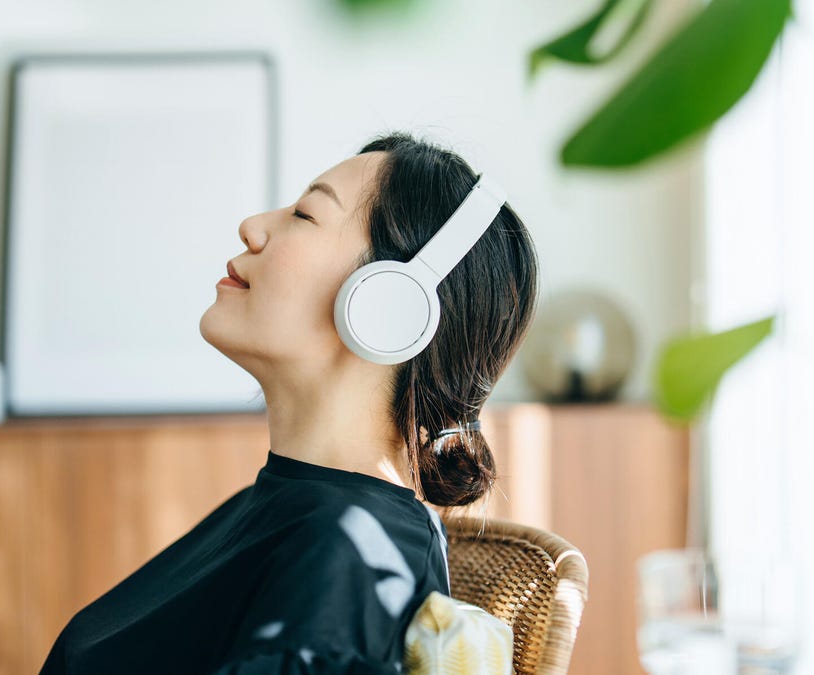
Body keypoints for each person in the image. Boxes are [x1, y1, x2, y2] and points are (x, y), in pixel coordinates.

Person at [38, 131, 540, 674]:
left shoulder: (347, 552)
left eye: (304, 214)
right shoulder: (292, 514)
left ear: (388, 303)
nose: (252, 226)